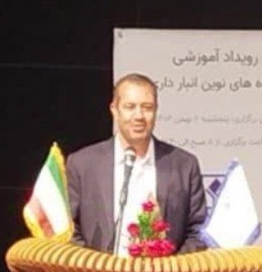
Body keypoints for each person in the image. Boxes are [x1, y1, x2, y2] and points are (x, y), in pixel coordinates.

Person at [66, 73, 208, 255]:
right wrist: (95, 266)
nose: (139, 116)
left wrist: (171, 267)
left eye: (147, 107)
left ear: (156, 110)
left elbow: (198, 231)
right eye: (130, 107)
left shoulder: (184, 165)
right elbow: (69, 230)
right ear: (114, 110)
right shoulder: (83, 164)